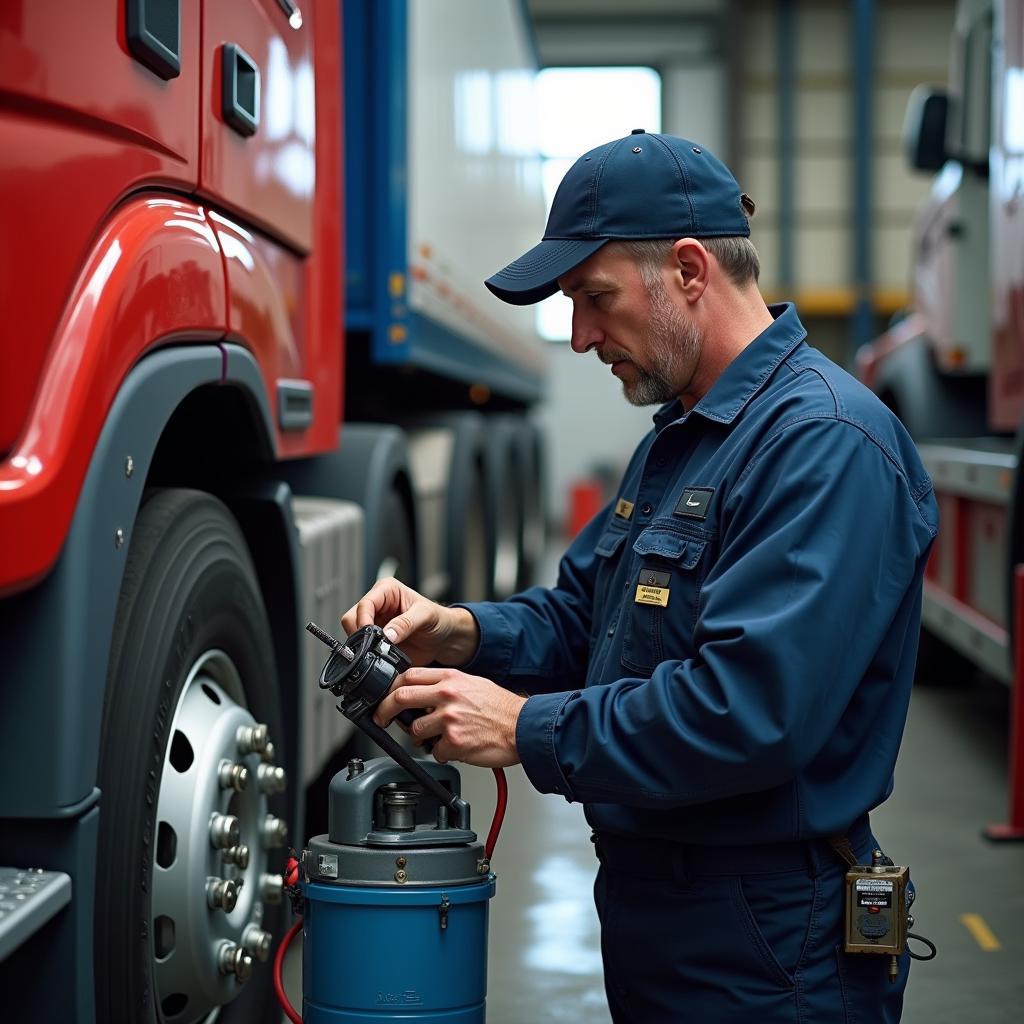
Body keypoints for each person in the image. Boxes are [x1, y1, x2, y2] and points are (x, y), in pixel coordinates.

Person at [342, 130, 937, 1023]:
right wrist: (461, 630)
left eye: (594, 298)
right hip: (663, 912)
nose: (580, 336)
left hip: (769, 943)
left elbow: (747, 712)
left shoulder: (824, 445)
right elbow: (591, 617)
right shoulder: (683, 437)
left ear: (690, 270)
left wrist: (525, 727)